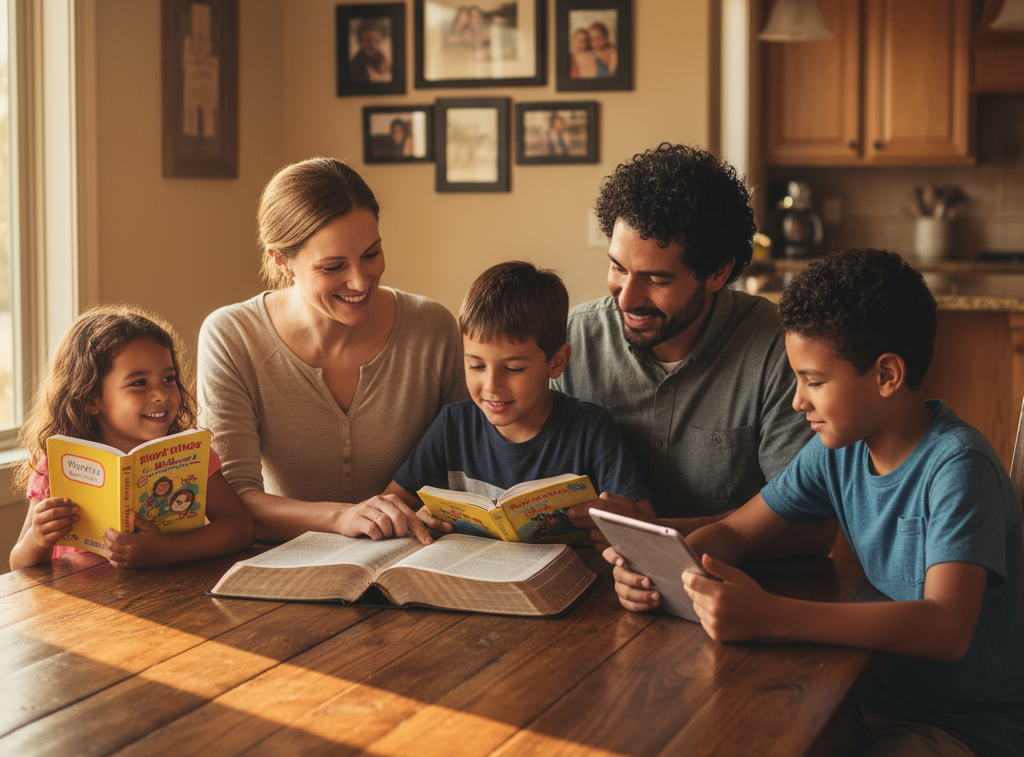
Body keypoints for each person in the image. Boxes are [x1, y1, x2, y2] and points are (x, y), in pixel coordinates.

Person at [607, 248, 1024, 757]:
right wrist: (658, 562)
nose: (799, 399)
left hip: (961, 731)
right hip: (871, 698)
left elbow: (946, 626)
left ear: (886, 375)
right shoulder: (841, 450)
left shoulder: (957, 468)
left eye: (813, 380)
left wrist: (770, 615)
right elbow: (735, 530)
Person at [197, 158, 467, 543]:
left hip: (413, 555)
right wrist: (342, 518)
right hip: (282, 564)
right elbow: (235, 501)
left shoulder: (432, 328)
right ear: (281, 261)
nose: (360, 281)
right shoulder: (232, 337)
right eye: (333, 266)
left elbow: (468, 462)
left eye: (371, 254)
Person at [554, 143, 814, 530]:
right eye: (618, 267)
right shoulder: (570, 341)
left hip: (733, 580)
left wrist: (650, 537)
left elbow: (809, 523)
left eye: (657, 279)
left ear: (718, 274)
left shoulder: (778, 351)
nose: (627, 297)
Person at [364, 261, 653, 537]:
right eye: (476, 365)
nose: (491, 385)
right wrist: (418, 517)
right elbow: (390, 507)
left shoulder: (591, 430)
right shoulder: (453, 424)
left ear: (556, 362)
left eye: (513, 369)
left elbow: (644, 529)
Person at [9, 305, 254, 570]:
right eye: (139, 383)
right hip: (83, 602)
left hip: (170, 595)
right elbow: (18, 566)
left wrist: (166, 550)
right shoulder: (58, 463)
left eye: (169, 378)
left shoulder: (191, 452)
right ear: (92, 399)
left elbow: (240, 529)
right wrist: (38, 538)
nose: (161, 394)